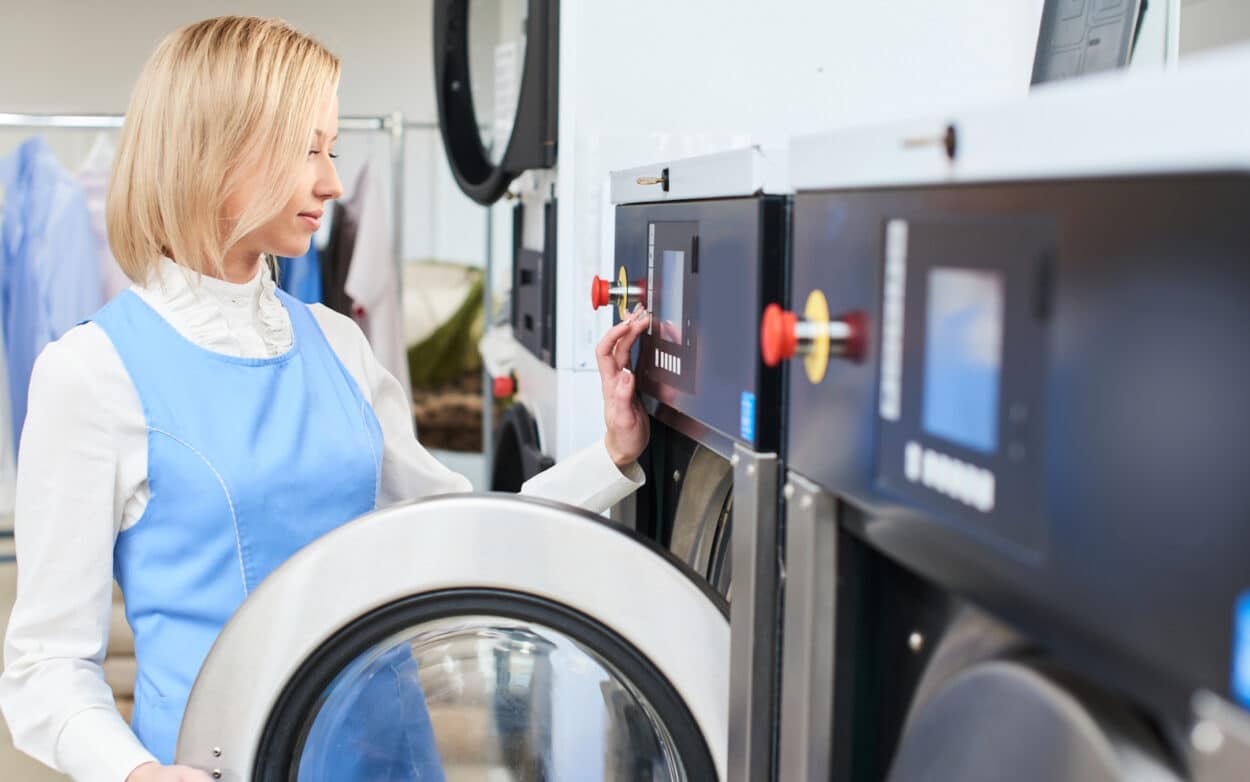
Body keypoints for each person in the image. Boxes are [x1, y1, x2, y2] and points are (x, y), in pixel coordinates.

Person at [0, 16, 651, 782]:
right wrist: (137, 774)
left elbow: (466, 531)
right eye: (308, 149)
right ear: (217, 149)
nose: (332, 182)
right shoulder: (91, 371)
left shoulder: (336, 342)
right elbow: (44, 667)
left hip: (394, 758)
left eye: (331, 150)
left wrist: (612, 452)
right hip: (220, 765)